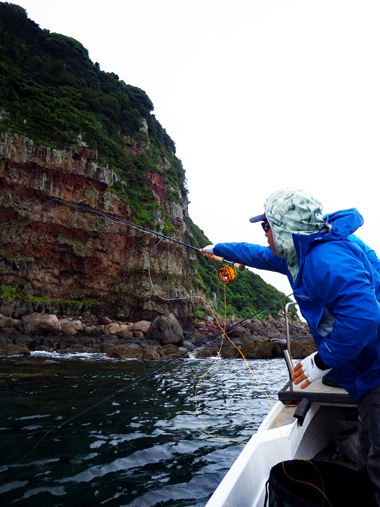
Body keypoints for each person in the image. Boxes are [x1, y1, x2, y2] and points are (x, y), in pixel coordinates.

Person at [200, 187, 380, 505]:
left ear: (285, 228)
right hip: (362, 369)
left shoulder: (326, 259)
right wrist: (220, 248)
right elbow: (257, 255)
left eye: (267, 226)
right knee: (368, 448)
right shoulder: (301, 252)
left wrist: (321, 361)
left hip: (375, 369)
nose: (264, 234)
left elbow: (365, 317)